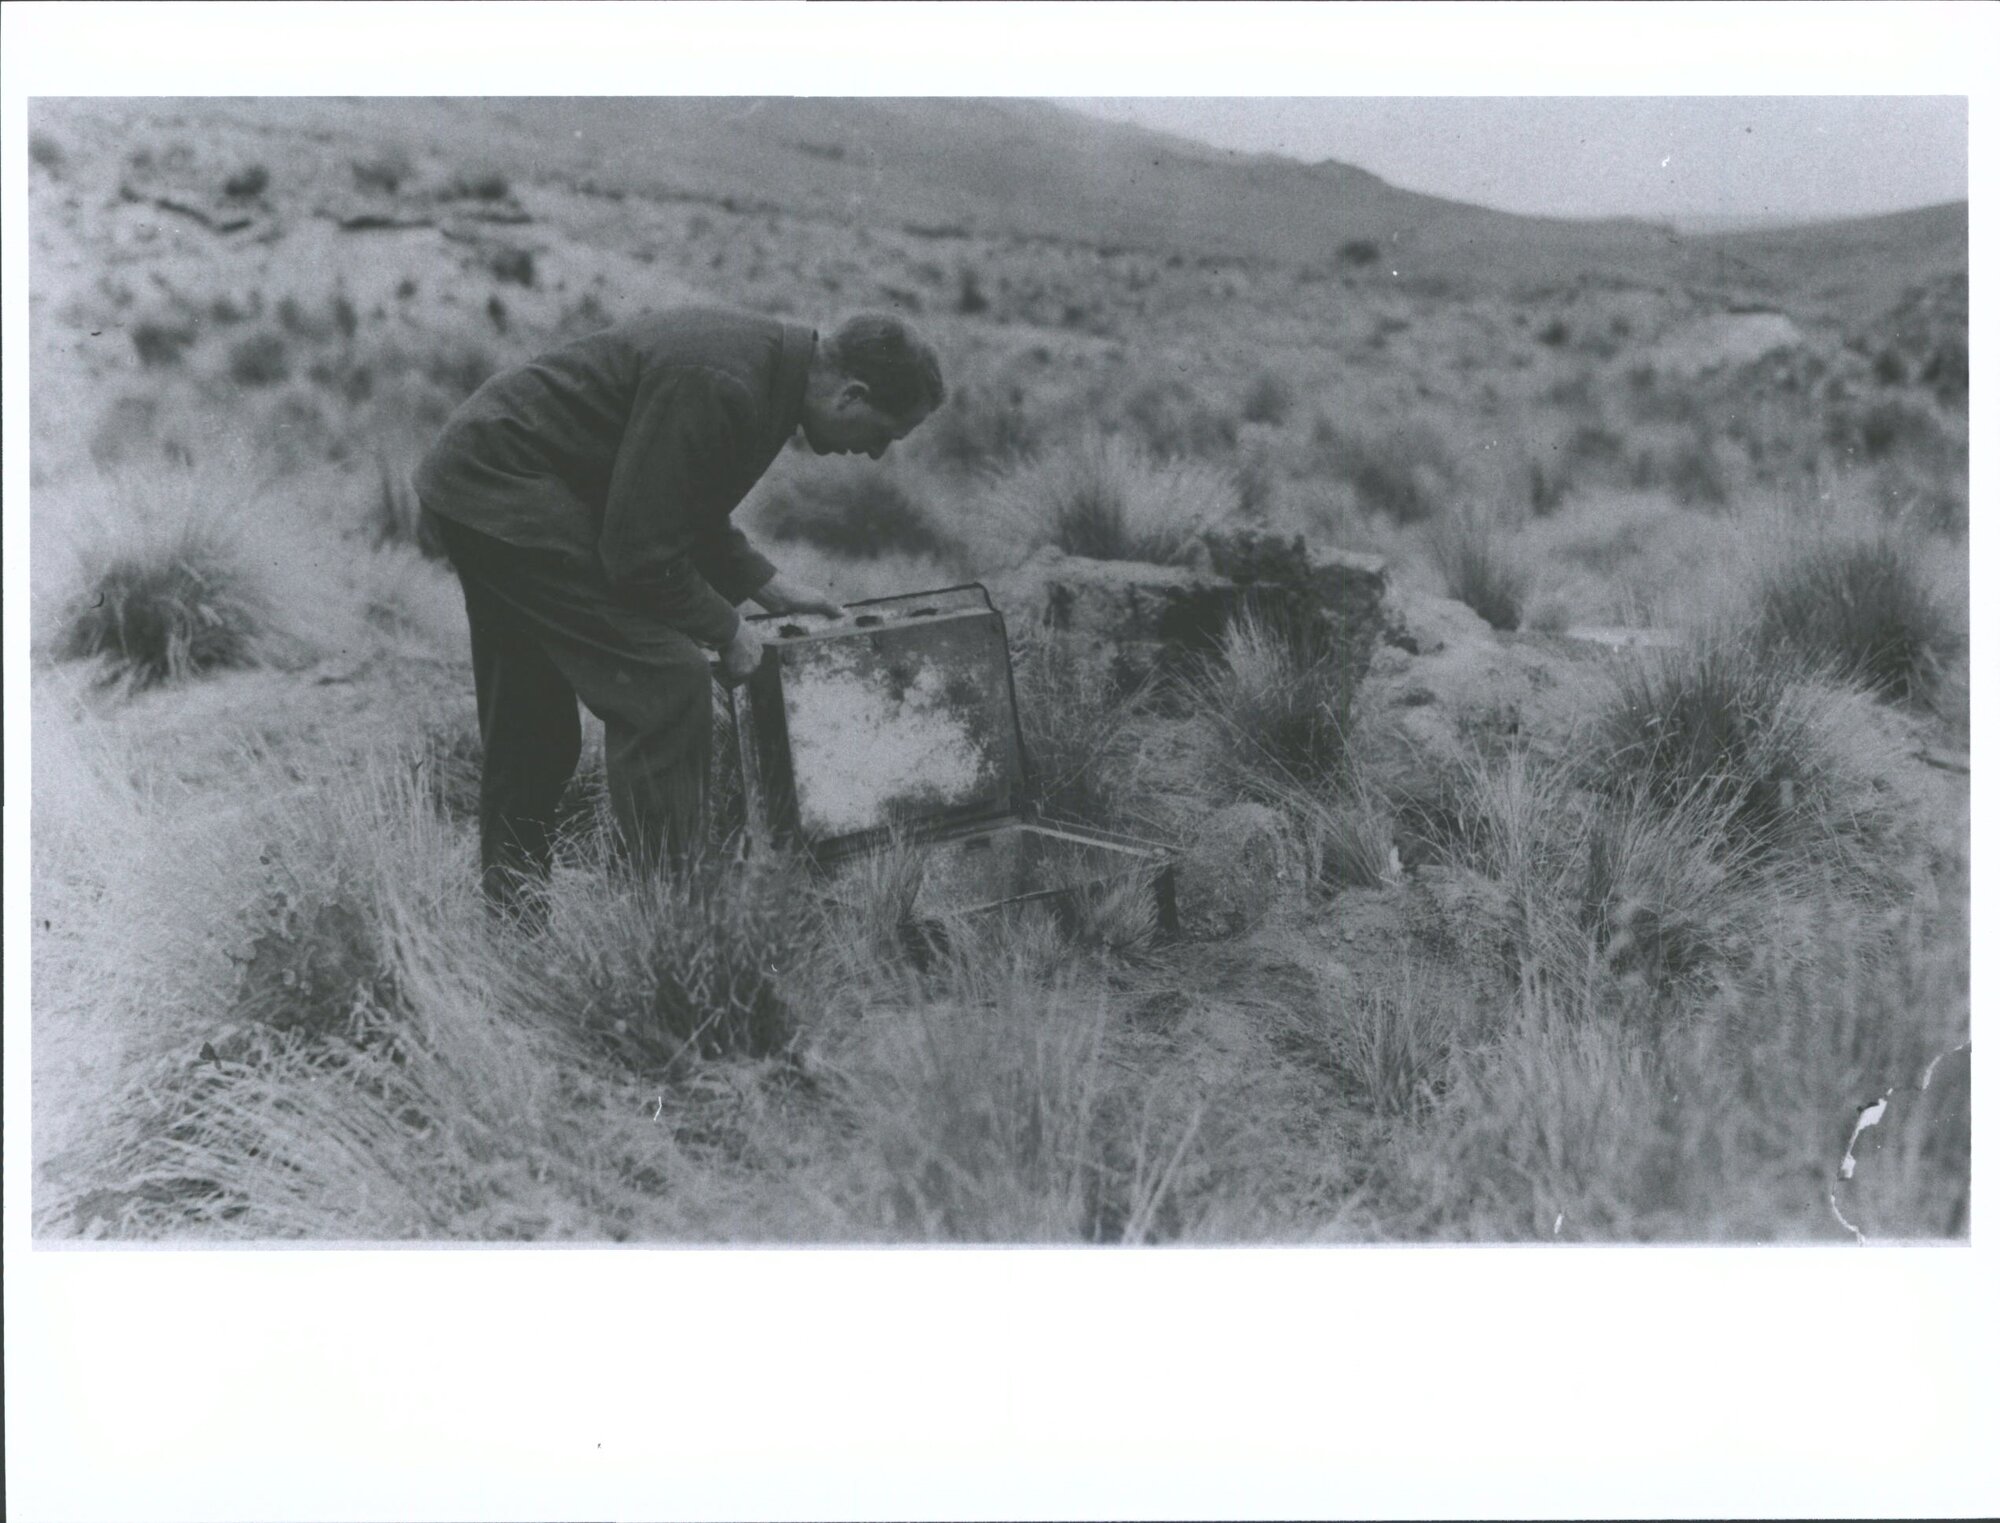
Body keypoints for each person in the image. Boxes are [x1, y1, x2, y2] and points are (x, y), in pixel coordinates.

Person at [415, 306, 945, 913]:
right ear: (852, 395)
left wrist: (767, 585)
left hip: (477, 485)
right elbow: (639, 553)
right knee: (668, 684)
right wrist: (728, 630)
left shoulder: (762, 369)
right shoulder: (728, 384)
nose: (875, 455)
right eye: (885, 435)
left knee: (531, 724)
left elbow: (679, 504)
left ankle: (515, 919)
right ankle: (666, 921)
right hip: (507, 493)